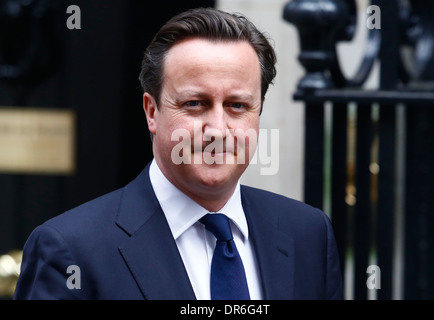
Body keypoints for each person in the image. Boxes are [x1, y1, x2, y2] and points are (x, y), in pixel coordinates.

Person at [14, 7, 343, 300]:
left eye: (237, 105)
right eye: (195, 104)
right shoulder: (71, 249)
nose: (217, 129)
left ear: (259, 111)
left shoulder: (308, 234)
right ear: (151, 112)